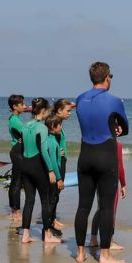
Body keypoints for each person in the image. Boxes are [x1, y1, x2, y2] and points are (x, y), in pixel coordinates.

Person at [74, 62, 129, 263]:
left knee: (83, 206)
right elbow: (125, 127)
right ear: (107, 78)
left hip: (85, 156)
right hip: (106, 156)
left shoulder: (80, 99)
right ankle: (104, 255)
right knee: (106, 207)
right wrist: (118, 128)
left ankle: (80, 253)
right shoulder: (114, 100)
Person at [19, 98, 61, 243]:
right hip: (38, 167)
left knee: (29, 200)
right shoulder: (42, 128)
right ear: (43, 111)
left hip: (25, 165)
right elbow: (43, 151)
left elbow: (22, 147)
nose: (48, 113)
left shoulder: (25, 126)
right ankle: (47, 235)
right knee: (45, 201)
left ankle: (25, 235)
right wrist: (50, 170)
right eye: (47, 111)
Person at [89, 139, 127, 250]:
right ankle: (109, 241)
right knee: (111, 211)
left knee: (100, 209)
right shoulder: (117, 144)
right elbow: (119, 166)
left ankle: (93, 239)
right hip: (111, 180)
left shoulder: (98, 142)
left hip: (98, 179)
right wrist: (123, 184)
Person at [50, 99, 76, 231]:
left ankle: (53, 218)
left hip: (61, 161)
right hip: (57, 163)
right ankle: (51, 222)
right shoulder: (54, 124)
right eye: (68, 111)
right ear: (59, 111)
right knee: (54, 193)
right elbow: (49, 143)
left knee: (57, 193)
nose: (70, 113)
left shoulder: (58, 122)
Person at [44, 113, 65, 237]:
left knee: (52, 200)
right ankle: (48, 228)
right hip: (54, 177)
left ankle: (50, 226)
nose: (61, 128)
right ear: (53, 126)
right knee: (52, 200)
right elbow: (53, 161)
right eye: (59, 125)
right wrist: (59, 178)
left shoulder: (49, 139)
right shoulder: (52, 141)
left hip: (50, 176)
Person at [7, 94, 26, 221]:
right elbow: (27, 133)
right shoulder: (14, 120)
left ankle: (14, 209)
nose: (24, 106)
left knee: (16, 181)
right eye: (22, 104)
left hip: (17, 151)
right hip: (17, 152)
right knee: (17, 182)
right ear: (15, 106)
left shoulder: (14, 118)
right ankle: (16, 210)